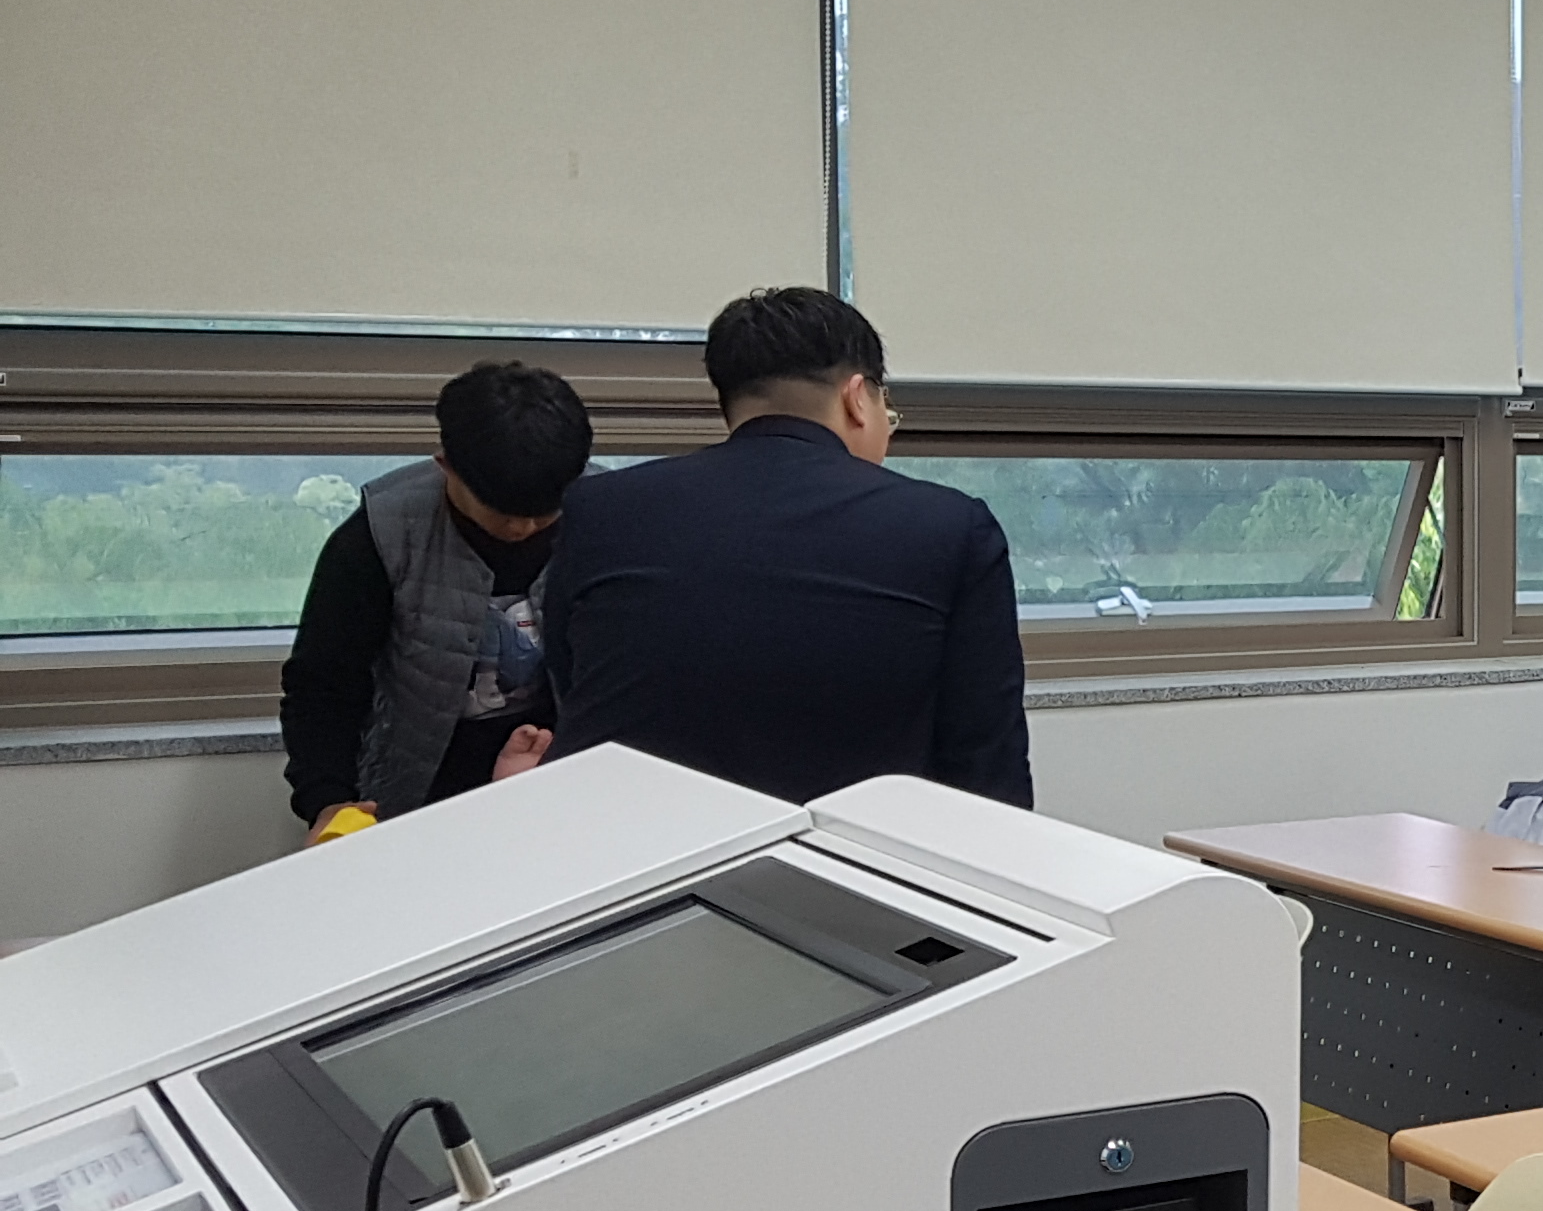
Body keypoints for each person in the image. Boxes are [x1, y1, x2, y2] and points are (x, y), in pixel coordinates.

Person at [544, 287, 1028, 807]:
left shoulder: (600, 509)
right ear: (857, 397)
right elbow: (986, 764)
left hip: (628, 837)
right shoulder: (951, 527)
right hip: (848, 847)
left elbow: (572, 680)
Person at [280, 361, 594, 839]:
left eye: (544, 514)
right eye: (501, 512)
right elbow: (322, 686)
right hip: (415, 790)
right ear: (446, 465)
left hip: (562, 781)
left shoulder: (605, 516)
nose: (522, 528)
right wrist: (327, 799)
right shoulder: (380, 534)